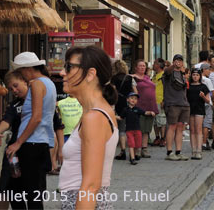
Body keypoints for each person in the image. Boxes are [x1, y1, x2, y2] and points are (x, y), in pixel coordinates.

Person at [58, 45, 118, 209]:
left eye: (69, 67)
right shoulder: (94, 113)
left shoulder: (94, 117)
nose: (62, 73)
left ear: (90, 74)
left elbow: (91, 185)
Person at [7, 51, 57, 210]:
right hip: (41, 142)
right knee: (35, 192)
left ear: (27, 69)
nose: (21, 76)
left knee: (25, 192)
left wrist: (18, 142)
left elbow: (36, 117)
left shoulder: (36, 83)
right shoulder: (50, 83)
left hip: (31, 143)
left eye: (20, 72)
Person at [0, 71, 29, 210]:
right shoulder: (14, 105)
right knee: (8, 187)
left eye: (15, 85)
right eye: (10, 88)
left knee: (33, 191)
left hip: (32, 149)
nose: (14, 90)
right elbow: (6, 121)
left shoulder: (38, 100)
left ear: (25, 80)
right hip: (14, 152)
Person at [162, 54, 191, 161]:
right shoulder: (169, 73)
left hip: (183, 103)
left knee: (180, 127)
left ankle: (178, 152)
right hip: (172, 103)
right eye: (176, 60)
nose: (178, 62)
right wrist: (173, 65)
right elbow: (167, 71)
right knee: (172, 127)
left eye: (180, 60)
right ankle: (169, 152)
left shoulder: (183, 74)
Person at [119, 92, 156, 165]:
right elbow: (121, 117)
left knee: (138, 144)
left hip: (137, 130)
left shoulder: (137, 109)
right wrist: (112, 116)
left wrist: (151, 112)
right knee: (131, 144)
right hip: (129, 130)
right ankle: (132, 158)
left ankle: (135, 154)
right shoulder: (125, 109)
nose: (133, 100)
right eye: (132, 98)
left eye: (135, 99)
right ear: (127, 100)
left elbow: (144, 113)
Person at [111, 59, 137, 160]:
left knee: (121, 129)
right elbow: (135, 92)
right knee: (131, 128)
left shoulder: (113, 79)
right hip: (129, 104)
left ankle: (122, 151)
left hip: (118, 104)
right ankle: (134, 151)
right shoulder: (130, 78)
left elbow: (112, 93)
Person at [132, 60, 158, 158]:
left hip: (150, 105)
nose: (142, 67)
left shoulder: (148, 78)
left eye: (144, 66)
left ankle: (144, 148)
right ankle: (137, 149)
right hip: (140, 106)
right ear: (136, 67)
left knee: (147, 129)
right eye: (140, 66)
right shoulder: (133, 78)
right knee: (139, 129)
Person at [187, 68, 211, 159]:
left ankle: (199, 150)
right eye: (193, 75)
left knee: (198, 129)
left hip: (200, 109)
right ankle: (193, 150)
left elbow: (208, 101)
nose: (195, 77)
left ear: (200, 76)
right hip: (190, 109)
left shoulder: (203, 86)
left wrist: (203, 96)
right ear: (191, 76)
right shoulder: (188, 86)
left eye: (197, 75)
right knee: (192, 130)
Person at [199, 63, 214, 151]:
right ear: (204, 70)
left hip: (199, 104)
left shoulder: (198, 79)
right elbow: (212, 93)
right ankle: (204, 143)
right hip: (207, 103)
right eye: (208, 69)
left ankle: (200, 141)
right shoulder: (207, 80)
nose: (209, 71)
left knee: (200, 124)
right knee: (206, 124)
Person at [151, 58, 167, 147]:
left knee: (162, 120)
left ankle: (163, 138)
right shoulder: (154, 76)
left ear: (159, 65)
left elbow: (166, 88)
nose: (153, 65)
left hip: (160, 101)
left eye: (154, 63)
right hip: (153, 101)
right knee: (155, 121)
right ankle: (157, 137)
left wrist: (164, 100)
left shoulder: (163, 76)